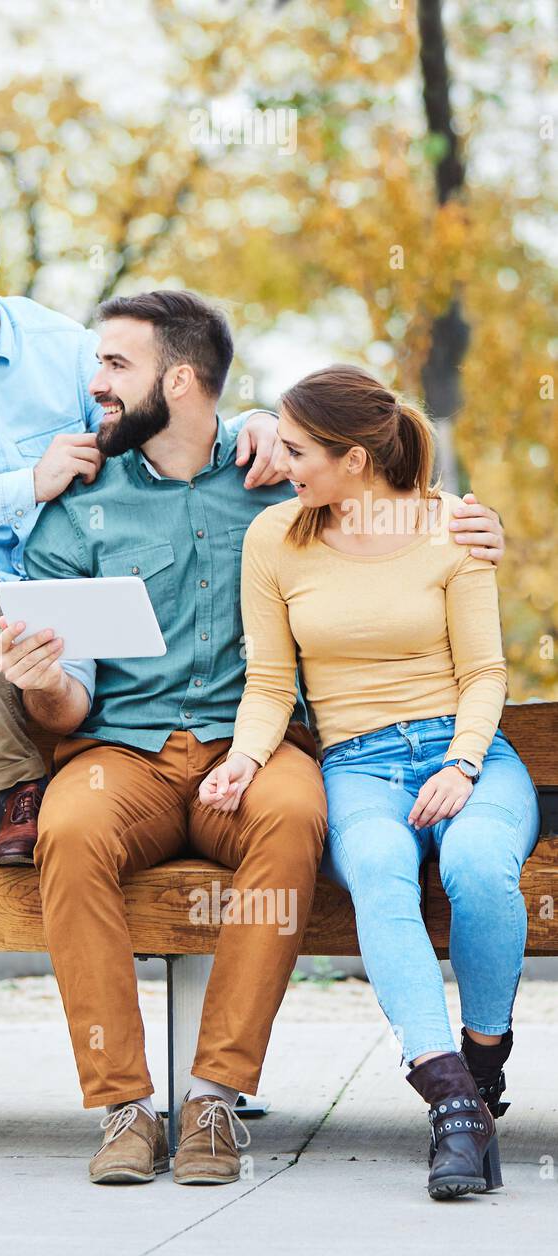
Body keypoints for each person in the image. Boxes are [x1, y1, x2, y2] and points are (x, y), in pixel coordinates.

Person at [0, 292, 506, 1187]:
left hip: (256, 748)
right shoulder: (78, 510)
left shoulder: (279, 480)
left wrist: (473, 525)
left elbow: (387, 506)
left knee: (294, 819)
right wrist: (42, 687)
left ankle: (215, 1102)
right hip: (124, 753)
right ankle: (123, 1105)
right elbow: (66, 711)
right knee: (68, 833)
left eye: (116, 365)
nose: (95, 385)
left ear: (181, 379)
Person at [0, 180, 283, 866]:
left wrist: (254, 422)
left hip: (64, 631)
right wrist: (23, 486)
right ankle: (21, 787)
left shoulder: (63, 349)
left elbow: (149, 413)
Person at [200, 365, 539, 1200]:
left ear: (354, 459)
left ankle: (484, 1060)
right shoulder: (274, 537)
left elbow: (486, 671)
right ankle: (452, 1099)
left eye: (297, 449)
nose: (282, 462)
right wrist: (245, 756)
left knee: (477, 866)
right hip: (357, 766)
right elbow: (272, 683)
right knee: (383, 871)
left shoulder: (452, 529)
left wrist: (462, 763)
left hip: (471, 754)